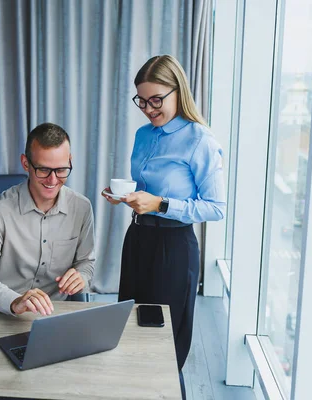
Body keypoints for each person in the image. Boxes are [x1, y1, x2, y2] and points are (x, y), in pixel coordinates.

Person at [102, 54, 226, 398]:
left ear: (178, 91)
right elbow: (146, 187)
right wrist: (126, 197)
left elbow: (216, 208)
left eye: (156, 99)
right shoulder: (144, 135)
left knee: (164, 344)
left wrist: (161, 204)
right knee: (130, 330)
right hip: (138, 239)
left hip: (174, 249)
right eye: (142, 100)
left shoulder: (200, 140)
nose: (148, 108)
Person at [0, 122, 95, 317]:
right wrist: (13, 301)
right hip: (4, 311)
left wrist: (82, 277)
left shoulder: (82, 207)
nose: (53, 180)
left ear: (70, 161)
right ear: (26, 163)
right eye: (43, 170)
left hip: (55, 314)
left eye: (61, 170)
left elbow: (86, 263)